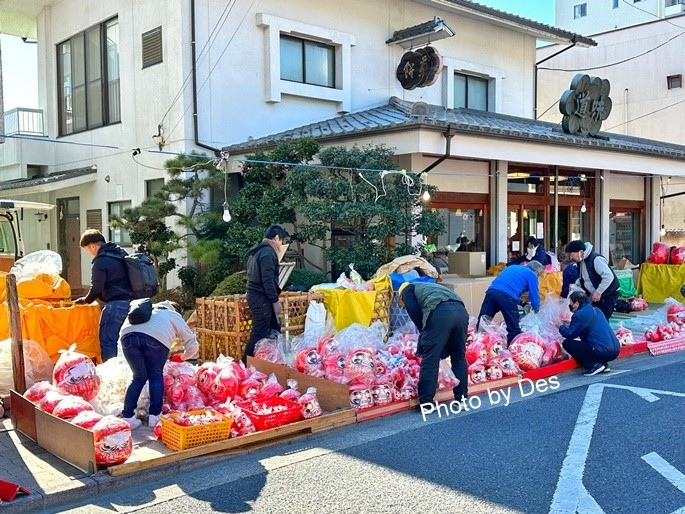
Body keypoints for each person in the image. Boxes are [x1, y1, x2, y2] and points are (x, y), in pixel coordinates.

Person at [119, 301, 199, 428]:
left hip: (127, 337)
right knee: (155, 375)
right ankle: (154, 416)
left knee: (138, 377)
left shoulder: (146, 311)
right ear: (176, 310)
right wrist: (182, 357)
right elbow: (193, 346)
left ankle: (128, 416)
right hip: (155, 340)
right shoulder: (172, 314)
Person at [398, 281, 469, 405]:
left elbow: (413, 309)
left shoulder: (407, 289)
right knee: (459, 357)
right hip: (461, 312)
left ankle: (426, 402)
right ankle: (461, 399)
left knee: (430, 359)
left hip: (439, 313)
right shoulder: (429, 287)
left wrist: (423, 330)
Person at [74, 229, 132, 362]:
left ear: (93, 246)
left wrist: (85, 300)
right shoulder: (119, 254)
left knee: (108, 341)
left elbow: (97, 288)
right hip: (131, 303)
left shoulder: (100, 261)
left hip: (115, 305)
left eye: (87, 249)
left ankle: (110, 374)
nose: (89, 253)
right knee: (126, 341)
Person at [243, 224, 287, 363]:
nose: (282, 245)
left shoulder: (258, 251)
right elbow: (267, 279)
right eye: (282, 241)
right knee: (260, 332)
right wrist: (274, 300)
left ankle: (269, 362)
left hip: (256, 296)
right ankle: (245, 364)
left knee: (272, 330)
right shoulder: (268, 252)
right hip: (261, 297)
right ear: (277, 237)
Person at [477, 260, 544, 345]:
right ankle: (512, 351)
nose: (537, 277)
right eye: (538, 275)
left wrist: (521, 303)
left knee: (483, 322)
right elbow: (534, 296)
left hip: (491, 292)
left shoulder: (513, 267)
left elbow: (509, 288)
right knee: (513, 328)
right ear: (536, 272)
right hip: (506, 296)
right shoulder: (531, 274)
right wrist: (537, 310)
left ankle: (476, 345)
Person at [559, 291, 619, 376]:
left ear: (577, 303)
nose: (570, 306)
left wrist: (560, 326)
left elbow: (570, 334)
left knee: (567, 343)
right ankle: (604, 364)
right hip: (615, 350)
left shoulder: (579, 314)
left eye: (571, 303)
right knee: (595, 340)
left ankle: (593, 366)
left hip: (601, 351)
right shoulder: (597, 310)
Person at [565, 240, 619, 320]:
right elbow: (583, 277)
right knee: (594, 317)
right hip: (595, 294)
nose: (571, 258)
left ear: (580, 252)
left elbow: (608, 277)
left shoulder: (596, 259)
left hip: (607, 293)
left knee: (602, 317)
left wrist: (598, 292)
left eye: (572, 255)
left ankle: (604, 332)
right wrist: (575, 286)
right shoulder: (581, 261)